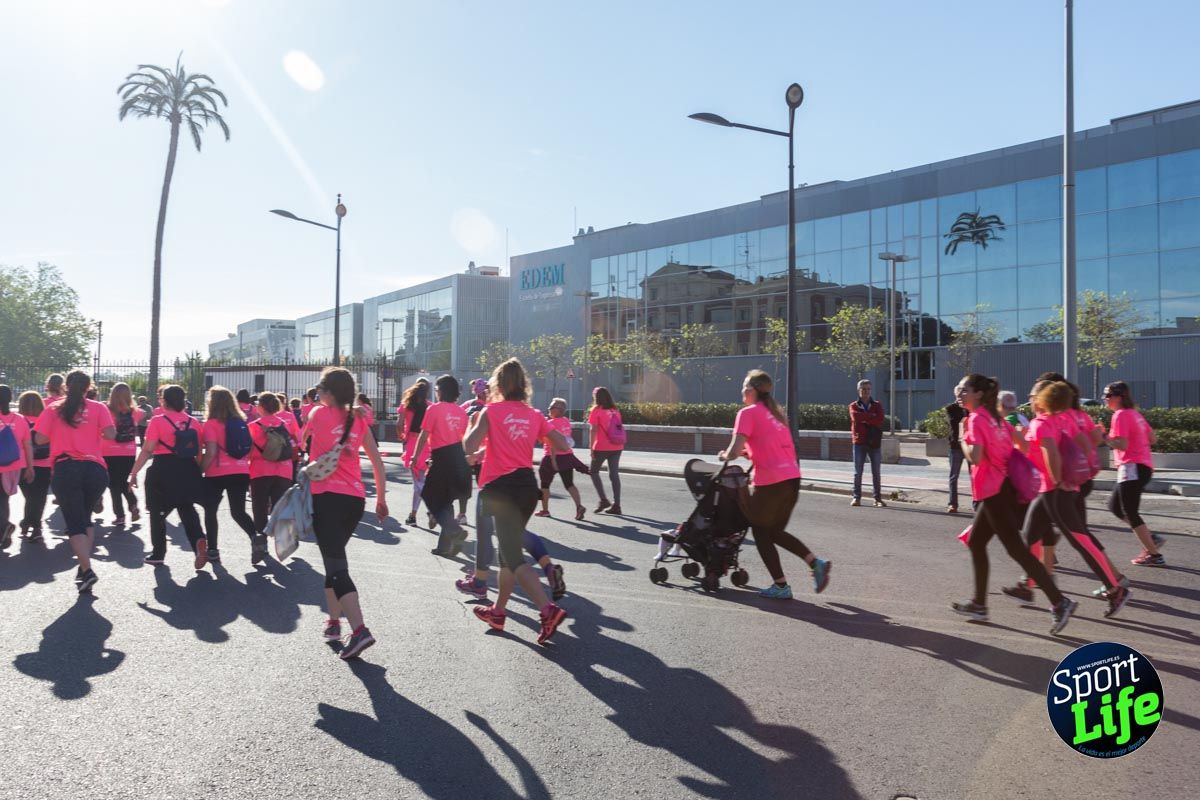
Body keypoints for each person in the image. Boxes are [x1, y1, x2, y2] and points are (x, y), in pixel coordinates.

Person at [950, 374, 1077, 634]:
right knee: (976, 543)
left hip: (993, 493)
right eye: (959, 390)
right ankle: (979, 604)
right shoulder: (996, 419)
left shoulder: (975, 420)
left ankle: (1059, 601)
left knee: (1017, 550)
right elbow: (1022, 446)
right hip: (1001, 489)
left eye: (964, 390)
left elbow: (974, 457)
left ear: (977, 394)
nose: (959, 394)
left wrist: (963, 437)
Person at [463, 358, 571, 643]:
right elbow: (562, 442)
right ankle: (498, 611)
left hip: (500, 490)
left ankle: (547, 610)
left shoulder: (491, 411)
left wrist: (475, 430)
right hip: (526, 488)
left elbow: (469, 445)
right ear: (523, 385)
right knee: (507, 556)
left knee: (511, 556)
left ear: (498, 384)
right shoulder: (534, 414)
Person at [1004, 380, 1129, 617]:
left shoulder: (1042, 423)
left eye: (1032, 395)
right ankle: (1028, 584)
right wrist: (1082, 471)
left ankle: (1115, 589)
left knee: (1081, 541)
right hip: (1053, 488)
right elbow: (1084, 442)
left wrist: (1060, 479)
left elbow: (1049, 452)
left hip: (1055, 490)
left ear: (1041, 399)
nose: (1029, 399)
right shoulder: (1067, 418)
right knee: (1031, 535)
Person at [717, 370, 830, 599]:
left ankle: (781, 586)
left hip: (770, 482)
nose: (741, 392)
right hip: (792, 479)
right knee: (775, 532)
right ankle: (815, 563)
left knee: (760, 532)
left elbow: (735, 450)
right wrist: (748, 455)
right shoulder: (777, 414)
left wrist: (724, 456)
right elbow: (767, 447)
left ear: (751, 391)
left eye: (744, 387)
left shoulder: (747, 413)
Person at [305, 366, 390, 660]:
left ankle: (360, 630)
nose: (317, 393)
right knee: (334, 560)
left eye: (320, 389)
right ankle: (333, 622)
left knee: (337, 567)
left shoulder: (317, 414)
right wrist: (381, 499)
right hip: (355, 500)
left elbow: (304, 439)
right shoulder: (359, 421)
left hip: (326, 498)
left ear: (328, 392)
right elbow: (377, 462)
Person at [33, 371, 115, 592]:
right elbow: (111, 434)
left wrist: (59, 432)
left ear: (66, 387)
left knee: (75, 523)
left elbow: (39, 438)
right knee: (85, 519)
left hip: (66, 468)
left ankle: (87, 570)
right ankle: (83, 568)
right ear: (88, 387)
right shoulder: (99, 408)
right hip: (95, 469)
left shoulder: (54, 408)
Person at [129, 385, 208, 569]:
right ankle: (198, 539)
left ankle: (158, 553)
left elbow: (147, 450)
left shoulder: (158, 421)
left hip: (163, 468)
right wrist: (197, 472)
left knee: (157, 512)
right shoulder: (194, 423)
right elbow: (199, 452)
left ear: (164, 400)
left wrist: (133, 473)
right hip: (188, 467)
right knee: (186, 507)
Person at [1102, 381, 1163, 566]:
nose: (1105, 400)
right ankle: (1150, 538)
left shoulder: (1120, 415)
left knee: (1129, 511)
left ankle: (1154, 554)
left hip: (1131, 466)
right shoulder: (1135, 414)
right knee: (1115, 506)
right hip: (1142, 466)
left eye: (1108, 396)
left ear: (1118, 397)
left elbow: (1122, 444)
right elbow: (1153, 438)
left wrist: (1104, 437)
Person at [412, 375, 472, 556]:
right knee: (446, 501)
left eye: (436, 389)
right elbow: (465, 439)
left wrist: (415, 456)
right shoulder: (462, 412)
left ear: (442, 391)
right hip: (458, 459)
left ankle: (455, 532)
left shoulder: (434, 409)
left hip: (442, 458)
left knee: (430, 496)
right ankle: (445, 547)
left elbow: (423, 435)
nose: (435, 392)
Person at [200, 386, 260, 564]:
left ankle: (213, 550)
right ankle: (255, 536)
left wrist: (200, 470)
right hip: (240, 471)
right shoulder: (241, 423)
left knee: (210, 511)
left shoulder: (211, 424)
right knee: (238, 512)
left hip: (217, 473)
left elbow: (210, 452)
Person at [247, 393, 296, 539]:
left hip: (260, 471)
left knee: (260, 508)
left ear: (261, 407)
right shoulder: (284, 424)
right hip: (284, 470)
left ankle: (261, 542)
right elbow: (295, 442)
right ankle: (284, 539)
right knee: (279, 508)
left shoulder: (253, 426)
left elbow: (248, 451)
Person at [536, 397, 588, 520]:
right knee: (569, 484)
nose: (549, 408)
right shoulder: (565, 421)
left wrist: (553, 460)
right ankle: (579, 506)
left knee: (545, 484)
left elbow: (550, 442)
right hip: (567, 456)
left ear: (559, 410)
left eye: (551, 407)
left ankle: (545, 510)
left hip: (551, 457)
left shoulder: (550, 424)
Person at [101, 382, 143, 527]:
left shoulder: (107, 410)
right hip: (129, 452)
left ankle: (120, 515)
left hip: (108, 452)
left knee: (113, 485)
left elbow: (106, 432)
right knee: (123, 481)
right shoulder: (136, 412)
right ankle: (133, 504)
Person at [0, 386, 34, 551]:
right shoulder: (20, 419)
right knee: (3, 498)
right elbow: (27, 444)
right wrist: (30, 467)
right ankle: (3, 527)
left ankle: (4, 526)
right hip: (14, 466)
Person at [17, 391, 52, 541]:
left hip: (24, 464)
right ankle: (35, 526)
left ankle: (27, 522)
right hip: (45, 463)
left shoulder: (19, 420)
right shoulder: (47, 420)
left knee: (29, 496)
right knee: (40, 496)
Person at [849, 379, 886, 507]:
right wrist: (871, 417)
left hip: (874, 442)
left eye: (868, 389)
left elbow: (880, 419)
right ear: (859, 390)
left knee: (876, 471)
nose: (866, 391)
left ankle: (877, 499)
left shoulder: (877, 404)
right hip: (859, 442)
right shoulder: (853, 405)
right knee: (858, 472)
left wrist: (865, 418)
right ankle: (856, 497)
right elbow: (855, 417)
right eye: (863, 389)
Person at [398, 379, 431, 526]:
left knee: (418, 483)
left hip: (412, 444)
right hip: (426, 444)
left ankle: (432, 509)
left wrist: (403, 436)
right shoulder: (430, 407)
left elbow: (399, 425)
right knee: (420, 482)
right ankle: (413, 515)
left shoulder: (406, 405)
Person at [587, 386, 624, 515]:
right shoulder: (615, 410)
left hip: (601, 447)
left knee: (593, 471)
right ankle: (617, 505)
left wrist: (591, 448)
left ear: (596, 397)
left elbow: (593, 430)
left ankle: (603, 500)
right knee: (614, 475)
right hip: (617, 446)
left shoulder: (596, 410)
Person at [945, 396, 967, 513]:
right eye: (959, 395)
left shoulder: (971, 408)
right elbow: (954, 423)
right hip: (955, 447)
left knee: (974, 475)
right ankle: (953, 504)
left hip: (969, 446)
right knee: (954, 476)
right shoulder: (951, 408)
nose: (961, 398)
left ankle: (977, 505)